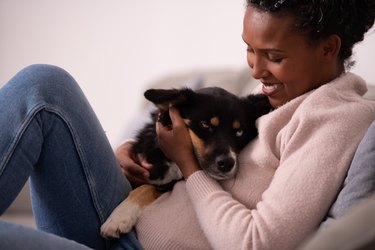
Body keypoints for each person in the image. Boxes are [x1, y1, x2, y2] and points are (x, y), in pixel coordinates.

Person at [0, 0, 374, 249]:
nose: (257, 70)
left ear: (328, 48)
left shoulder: (334, 118)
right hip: (123, 215)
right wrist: (136, 154)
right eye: (249, 49)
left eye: (274, 57)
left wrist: (190, 165)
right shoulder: (284, 99)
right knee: (44, 85)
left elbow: (256, 242)